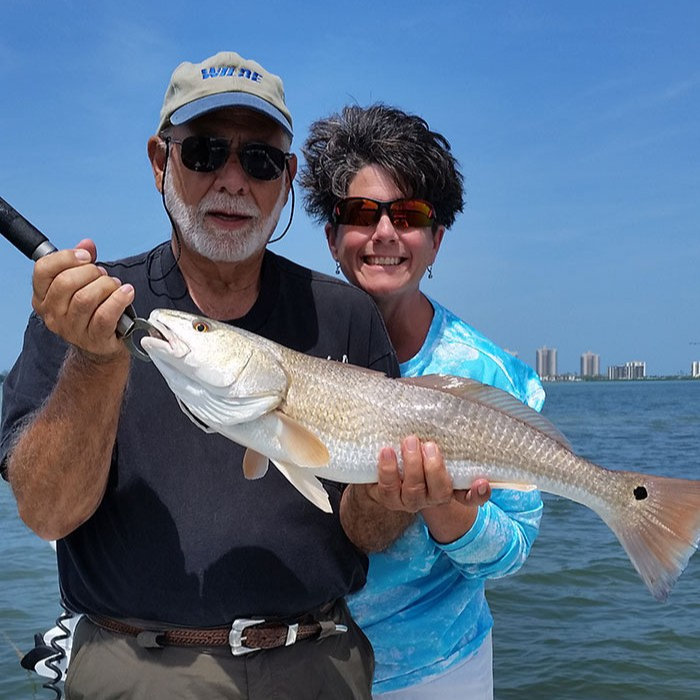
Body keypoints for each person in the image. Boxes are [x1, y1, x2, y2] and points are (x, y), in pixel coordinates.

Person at [0, 53, 434, 700]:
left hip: (318, 664)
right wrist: (93, 361)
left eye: (259, 161)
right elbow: (47, 514)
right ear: (159, 163)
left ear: (287, 178)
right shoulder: (83, 313)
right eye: (204, 152)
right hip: (136, 668)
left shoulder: (346, 314)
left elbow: (365, 531)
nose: (233, 180)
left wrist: (395, 498)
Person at [300, 104, 546, 699]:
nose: (384, 233)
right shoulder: (289, 350)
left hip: (440, 673)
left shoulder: (488, 374)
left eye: (408, 215)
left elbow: (511, 553)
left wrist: (446, 511)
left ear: (436, 240)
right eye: (361, 214)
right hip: (299, 668)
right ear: (333, 236)